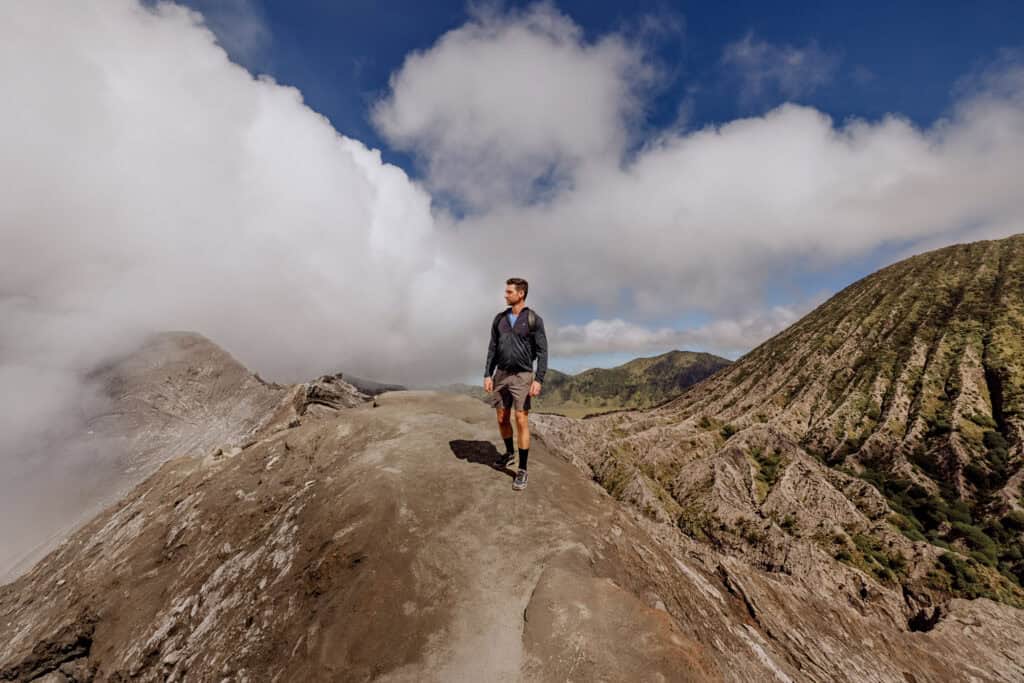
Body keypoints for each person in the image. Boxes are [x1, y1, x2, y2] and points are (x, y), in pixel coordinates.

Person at [484, 277, 548, 491]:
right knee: (502, 418)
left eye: (509, 292)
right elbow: (492, 348)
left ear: (521, 294)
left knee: (521, 419)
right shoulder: (499, 319)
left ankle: (522, 469)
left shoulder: (533, 320)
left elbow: (542, 351)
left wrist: (538, 379)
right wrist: (487, 374)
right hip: (501, 375)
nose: (505, 295)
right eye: (506, 291)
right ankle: (509, 453)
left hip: (522, 376)